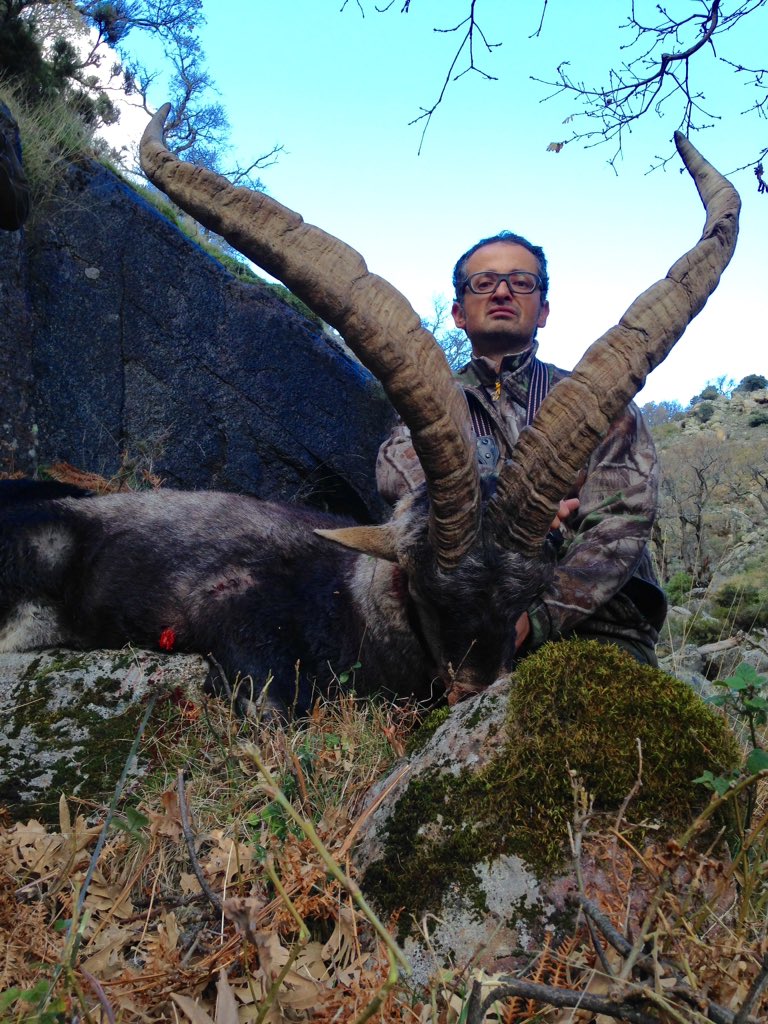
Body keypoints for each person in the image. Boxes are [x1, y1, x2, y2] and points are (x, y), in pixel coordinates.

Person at [376, 230, 667, 679]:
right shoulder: (427, 404)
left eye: (522, 282)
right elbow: (400, 473)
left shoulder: (604, 405)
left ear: (543, 311)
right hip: (456, 629)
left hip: (590, 630)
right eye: (484, 282)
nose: (503, 291)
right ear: (458, 312)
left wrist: (537, 618)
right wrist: (513, 510)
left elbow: (620, 524)